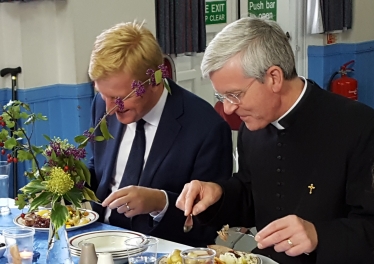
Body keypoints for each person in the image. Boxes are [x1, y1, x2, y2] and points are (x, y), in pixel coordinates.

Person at [176, 17, 374, 264]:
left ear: (274, 78)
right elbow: (252, 195)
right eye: (221, 96)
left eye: (234, 95)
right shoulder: (254, 126)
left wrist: (318, 236)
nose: (227, 109)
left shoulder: (359, 126)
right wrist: (218, 193)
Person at [87, 21, 233, 246]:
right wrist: (67, 178)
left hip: (160, 251)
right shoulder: (103, 103)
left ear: (154, 81)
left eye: (119, 99)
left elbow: (208, 225)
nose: (109, 109)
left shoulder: (207, 129)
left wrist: (160, 203)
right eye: (102, 94)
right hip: (96, 239)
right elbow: (99, 170)